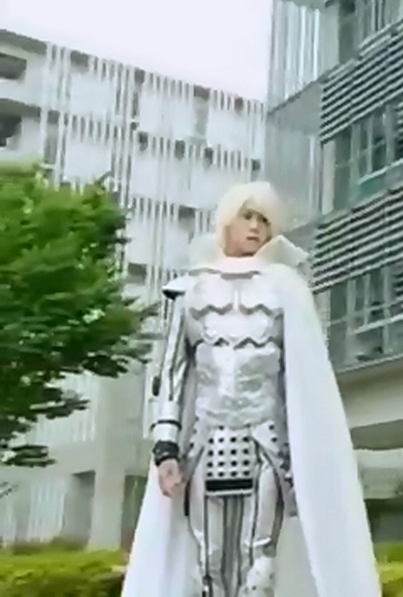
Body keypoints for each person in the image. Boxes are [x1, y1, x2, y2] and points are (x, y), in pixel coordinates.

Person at [121, 182, 382, 597]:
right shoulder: (191, 291)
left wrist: (310, 452)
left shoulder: (285, 289)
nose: (256, 226)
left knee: (258, 565)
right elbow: (172, 374)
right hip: (203, 441)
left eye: (264, 219)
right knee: (208, 564)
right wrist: (166, 447)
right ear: (228, 220)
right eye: (248, 216)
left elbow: (303, 377)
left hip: (267, 442)